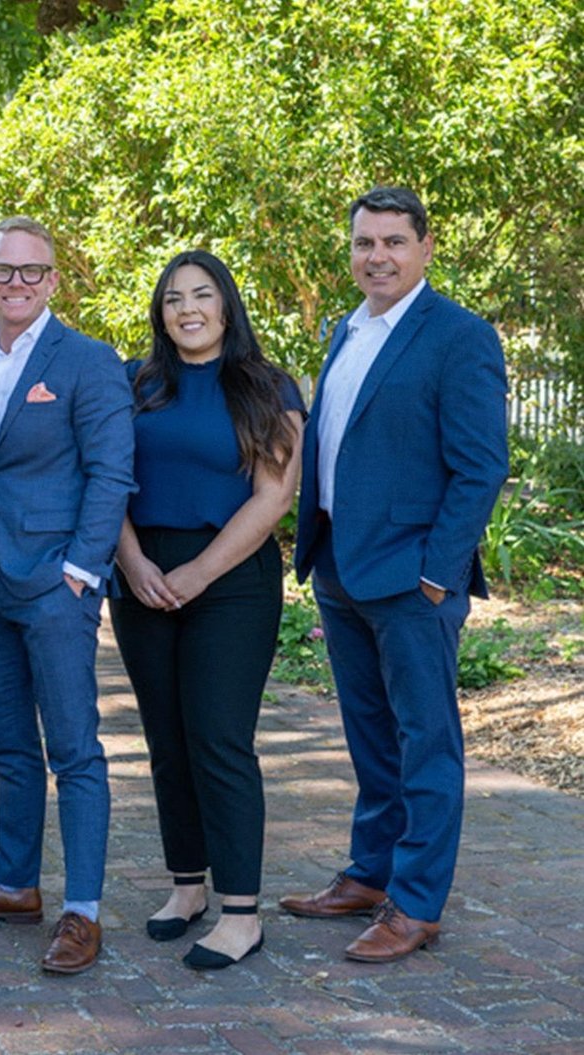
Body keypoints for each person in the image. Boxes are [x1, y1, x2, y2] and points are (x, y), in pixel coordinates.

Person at [280, 187, 508, 963]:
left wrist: (438, 575)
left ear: (426, 246)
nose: (377, 256)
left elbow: (481, 467)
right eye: (364, 242)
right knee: (371, 737)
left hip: (412, 578)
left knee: (426, 743)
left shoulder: (459, 336)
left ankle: (415, 903)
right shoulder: (346, 329)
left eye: (393, 241)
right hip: (341, 563)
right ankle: (370, 873)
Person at [0, 215, 135, 975]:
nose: (16, 283)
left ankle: (84, 911)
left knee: (74, 749)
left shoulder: (87, 360)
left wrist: (81, 569)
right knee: (8, 744)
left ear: (53, 280)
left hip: (53, 582)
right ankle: (13, 882)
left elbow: (111, 472)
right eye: (2, 271)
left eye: (31, 271)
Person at [108, 250, 305, 970]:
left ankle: (241, 913)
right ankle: (187, 886)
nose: (187, 309)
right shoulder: (134, 382)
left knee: (219, 739)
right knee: (167, 739)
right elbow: (106, 478)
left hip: (231, 578)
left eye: (201, 295)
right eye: (172, 299)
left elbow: (274, 496)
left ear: (226, 305)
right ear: (160, 313)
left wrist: (198, 571)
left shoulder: (266, 386)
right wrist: (132, 561)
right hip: (142, 574)